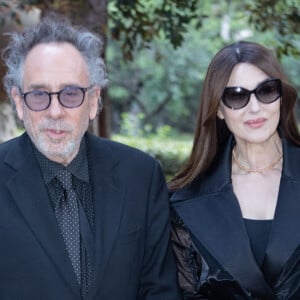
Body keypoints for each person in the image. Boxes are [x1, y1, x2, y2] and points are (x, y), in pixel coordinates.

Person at [0, 15, 181, 300]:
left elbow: (160, 290)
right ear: (19, 103)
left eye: (70, 93)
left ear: (94, 100)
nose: (55, 111)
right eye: (39, 94)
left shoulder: (141, 177)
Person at [168, 41, 300, 299]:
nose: (254, 108)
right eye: (237, 96)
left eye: (266, 91)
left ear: (281, 96)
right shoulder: (185, 201)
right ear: (218, 108)